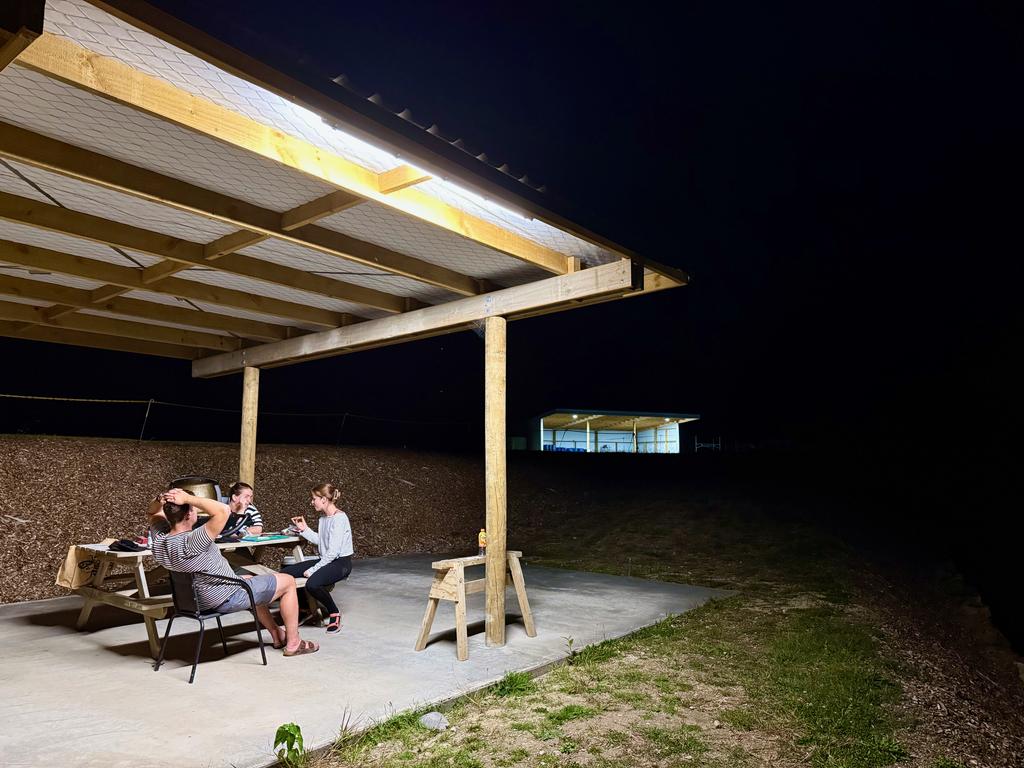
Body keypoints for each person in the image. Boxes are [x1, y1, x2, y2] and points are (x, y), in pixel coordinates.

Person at [148, 487, 318, 656]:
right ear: (188, 515)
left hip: (194, 601)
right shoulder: (192, 540)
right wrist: (188, 498)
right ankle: (294, 643)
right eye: (193, 510)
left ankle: (276, 633)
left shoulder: (161, 542)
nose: (195, 512)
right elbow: (223, 510)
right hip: (225, 597)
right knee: (288, 581)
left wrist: (159, 500)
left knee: (250, 579)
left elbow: (153, 514)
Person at [282, 482, 353, 635]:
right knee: (286, 572)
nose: (311, 502)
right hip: (327, 560)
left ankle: (334, 613)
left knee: (312, 584)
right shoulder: (323, 519)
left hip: (341, 563)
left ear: (324, 500)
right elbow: (322, 541)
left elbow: (333, 552)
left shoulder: (340, 519)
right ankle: (305, 609)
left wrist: (313, 569)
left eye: (314, 498)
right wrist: (304, 530)